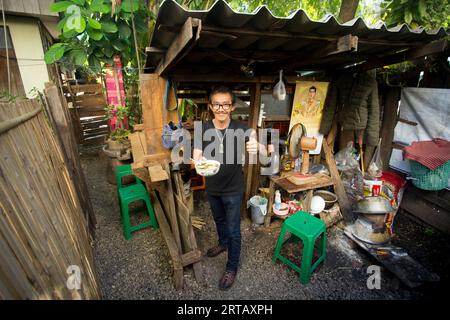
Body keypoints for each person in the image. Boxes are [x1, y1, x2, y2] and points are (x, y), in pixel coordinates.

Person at [192, 85, 269, 290]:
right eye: (217, 104)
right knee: (218, 219)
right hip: (212, 187)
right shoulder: (203, 128)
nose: (221, 108)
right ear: (210, 106)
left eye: (225, 104)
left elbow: (259, 147)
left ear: (232, 107)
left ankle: (231, 267)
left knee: (235, 230)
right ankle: (222, 243)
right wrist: (196, 161)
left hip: (234, 189)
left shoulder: (241, 128)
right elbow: (198, 152)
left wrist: (258, 147)